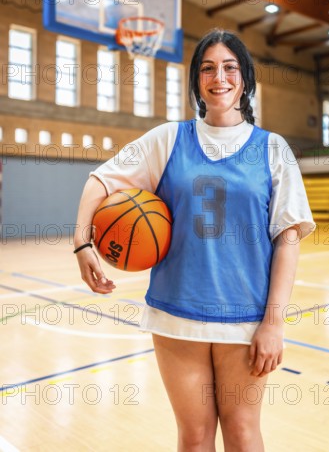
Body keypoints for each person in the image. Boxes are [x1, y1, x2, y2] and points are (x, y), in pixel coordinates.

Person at [74, 28, 315, 451]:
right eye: (207, 68)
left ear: (245, 79)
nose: (218, 77)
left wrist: (274, 323)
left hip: (246, 315)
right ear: (196, 81)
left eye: (229, 67)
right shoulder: (168, 139)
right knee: (195, 436)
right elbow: (101, 179)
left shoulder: (273, 149)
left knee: (242, 434)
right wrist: (82, 243)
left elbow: (288, 238)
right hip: (176, 314)